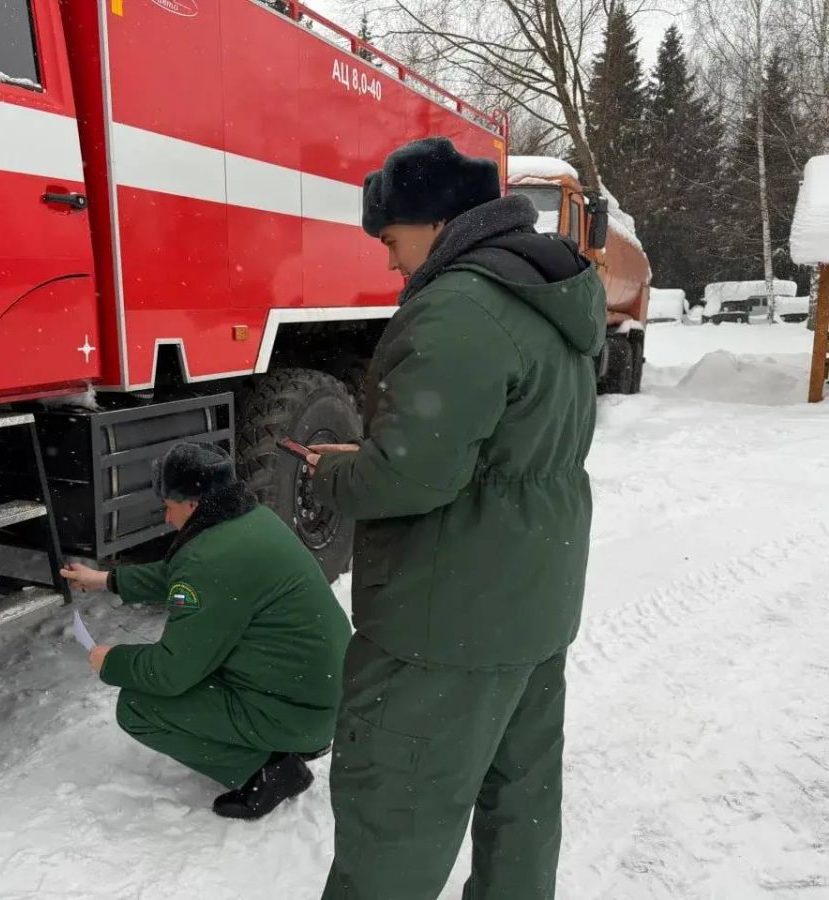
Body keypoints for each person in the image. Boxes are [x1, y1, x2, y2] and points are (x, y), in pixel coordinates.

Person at [307, 138, 607, 898]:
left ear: (436, 221)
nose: (388, 262)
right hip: (530, 611)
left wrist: (339, 470)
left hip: (444, 624)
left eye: (390, 239)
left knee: (394, 824)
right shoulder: (548, 297)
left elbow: (411, 475)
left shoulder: (459, 308)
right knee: (521, 811)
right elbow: (497, 447)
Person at [61, 441, 351, 820]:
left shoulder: (209, 558)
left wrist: (110, 660)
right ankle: (283, 740)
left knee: (138, 706)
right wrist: (105, 580)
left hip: (299, 711)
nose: (166, 518)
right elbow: (180, 573)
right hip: (319, 693)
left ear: (193, 504)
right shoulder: (248, 522)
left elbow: (170, 672)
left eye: (168, 506)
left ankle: (270, 772)